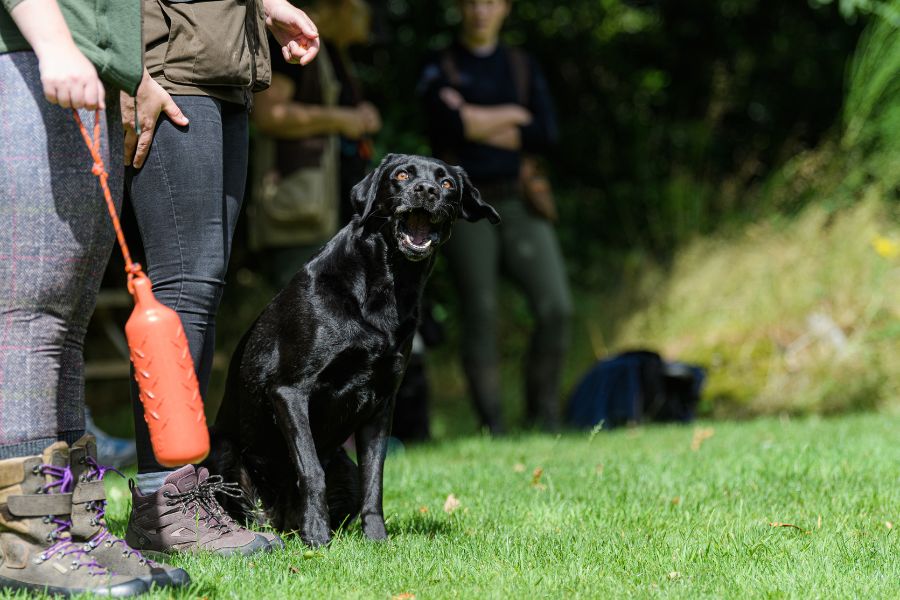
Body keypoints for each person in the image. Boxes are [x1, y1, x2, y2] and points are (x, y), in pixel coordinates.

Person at [0, 0, 189, 594]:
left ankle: (74, 524)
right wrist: (54, 41)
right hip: (30, 61)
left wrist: (132, 74)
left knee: (65, 319)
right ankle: (26, 540)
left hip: (84, 71)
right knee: (28, 316)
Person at [120, 0, 320, 557]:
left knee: (199, 287)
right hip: (168, 69)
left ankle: (181, 494)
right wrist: (130, 69)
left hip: (223, 70)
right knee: (183, 285)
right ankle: (166, 501)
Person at [418, 0, 573, 433]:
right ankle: (494, 426)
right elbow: (443, 128)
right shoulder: (440, 64)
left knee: (556, 306)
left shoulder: (521, 65)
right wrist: (512, 116)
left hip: (521, 201)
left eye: (489, 2)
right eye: (470, 3)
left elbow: (546, 133)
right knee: (481, 312)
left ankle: (544, 417)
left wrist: (471, 118)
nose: (479, 11)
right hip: (467, 206)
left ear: (504, 8)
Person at [249, 0, 381, 288]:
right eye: (366, 14)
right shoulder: (296, 46)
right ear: (345, 7)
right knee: (305, 308)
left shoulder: (334, 52)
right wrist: (342, 118)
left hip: (334, 209)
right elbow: (268, 114)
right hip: (301, 210)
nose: (367, 30)